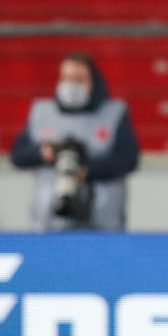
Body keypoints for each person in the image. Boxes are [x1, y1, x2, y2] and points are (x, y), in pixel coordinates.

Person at [11, 52, 139, 231]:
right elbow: (17, 155)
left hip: (102, 218)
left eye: (78, 79)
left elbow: (128, 159)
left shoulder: (114, 113)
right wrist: (43, 153)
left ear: (93, 82)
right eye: (66, 78)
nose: (71, 85)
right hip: (49, 220)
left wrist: (88, 170)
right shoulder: (41, 113)